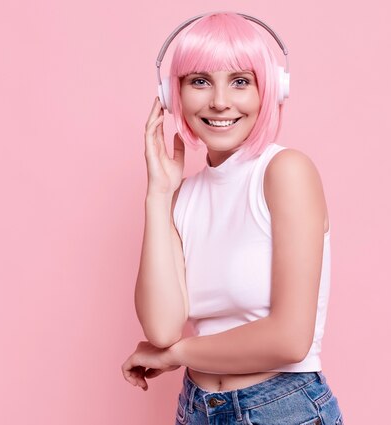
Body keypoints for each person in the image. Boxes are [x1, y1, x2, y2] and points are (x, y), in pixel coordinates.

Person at [121, 12, 343, 425]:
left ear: (271, 90)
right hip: (197, 409)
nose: (219, 101)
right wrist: (158, 194)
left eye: (240, 81)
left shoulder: (285, 172)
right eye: (199, 81)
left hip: (283, 409)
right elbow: (162, 327)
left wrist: (175, 355)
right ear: (173, 96)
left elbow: (290, 339)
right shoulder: (182, 196)